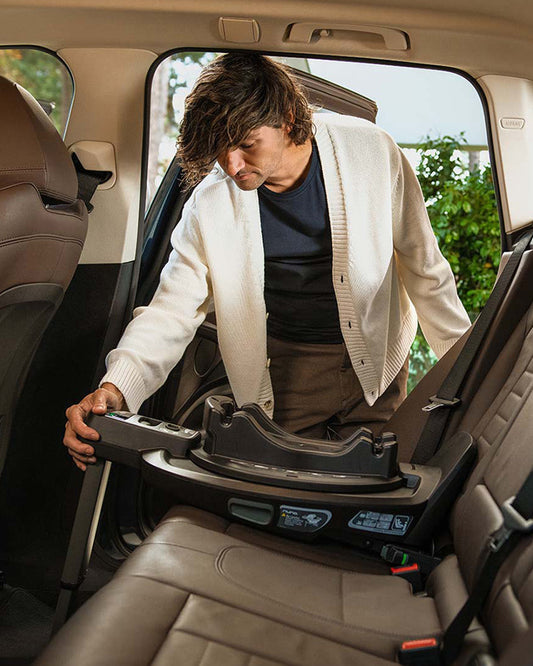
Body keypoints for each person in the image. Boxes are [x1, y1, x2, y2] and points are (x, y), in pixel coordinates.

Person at [64, 53, 470, 470]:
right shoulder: (210, 203)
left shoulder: (372, 150)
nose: (232, 165)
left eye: (246, 144)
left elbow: (425, 269)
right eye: (221, 150)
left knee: (377, 489)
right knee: (289, 491)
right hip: (290, 369)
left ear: (288, 119)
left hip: (380, 362)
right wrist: (116, 388)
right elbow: (172, 310)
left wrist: (469, 371)